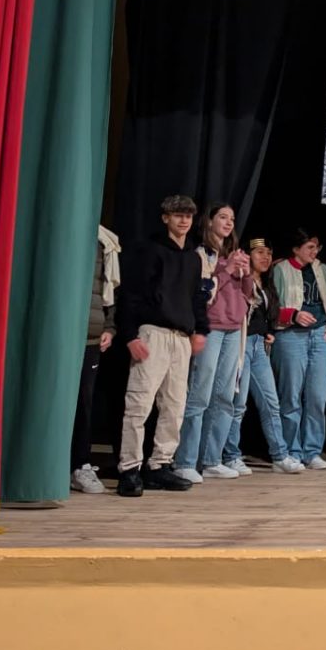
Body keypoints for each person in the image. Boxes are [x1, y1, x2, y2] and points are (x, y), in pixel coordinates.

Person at [113, 194, 208, 497]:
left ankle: (160, 465)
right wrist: (130, 335)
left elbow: (197, 297)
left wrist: (201, 330)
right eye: (178, 215)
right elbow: (131, 294)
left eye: (188, 216)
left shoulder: (194, 257)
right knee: (139, 403)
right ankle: (129, 468)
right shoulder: (149, 251)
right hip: (153, 332)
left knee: (174, 406)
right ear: (166, 217)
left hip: (181, 337)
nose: (184, 221)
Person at [175, 203, 251, 483]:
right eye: (222, 217)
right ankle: (185, 461)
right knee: (200, 395)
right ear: (209, 221)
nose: (229, 222)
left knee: (225, 396)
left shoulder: (233, 254)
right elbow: (201, 291)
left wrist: (246, 273)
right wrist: (225, 270)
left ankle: (211, 460)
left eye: (232, 218)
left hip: (233, 330)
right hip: (211, 329)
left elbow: (247, 296)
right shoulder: (201, 255)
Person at [271, 228, 326, 470]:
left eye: (316, 247)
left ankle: (312, 451)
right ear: (296, 249)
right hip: (291, 335)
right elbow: (272, 304)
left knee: (317, 397)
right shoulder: (281, 269)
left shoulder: (322, 269)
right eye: (310, 247)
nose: (315, 252)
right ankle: (291, 451)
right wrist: (293, 315)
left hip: (320, 335)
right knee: (291, 396)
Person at [243, 238, 305, 475]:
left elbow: (269, 315)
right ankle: (228, 455)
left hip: (259, 345)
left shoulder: (266, 283)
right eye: (259, 252)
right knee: (236, 404)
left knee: (271, 402)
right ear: (248, 255)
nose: (265, 257)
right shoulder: (242, 280)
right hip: (241, 344)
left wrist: (268, 332)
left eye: (268, 253)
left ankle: (279, 455)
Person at [69, 225, 120, 495]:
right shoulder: (64, 232)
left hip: (91, 334)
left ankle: (80, 464)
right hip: (60, 334)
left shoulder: (105, 242)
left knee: (84, 403)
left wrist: (109, 327)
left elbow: (108, 289)